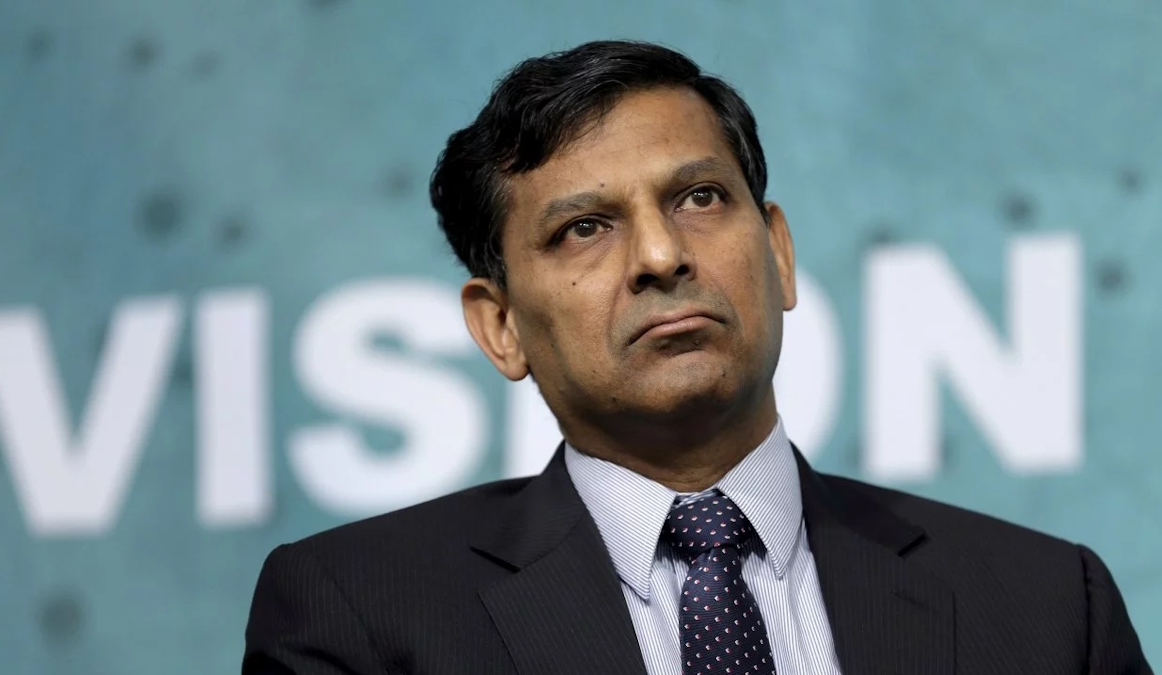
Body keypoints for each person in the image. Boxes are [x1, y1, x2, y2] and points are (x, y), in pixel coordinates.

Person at [242, 40, 1151, 674]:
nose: (660, 254)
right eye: (584, 227)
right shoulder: (358, 615)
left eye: (700, 198)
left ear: (779, 253)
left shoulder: (1045, 607)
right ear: (501, 326)